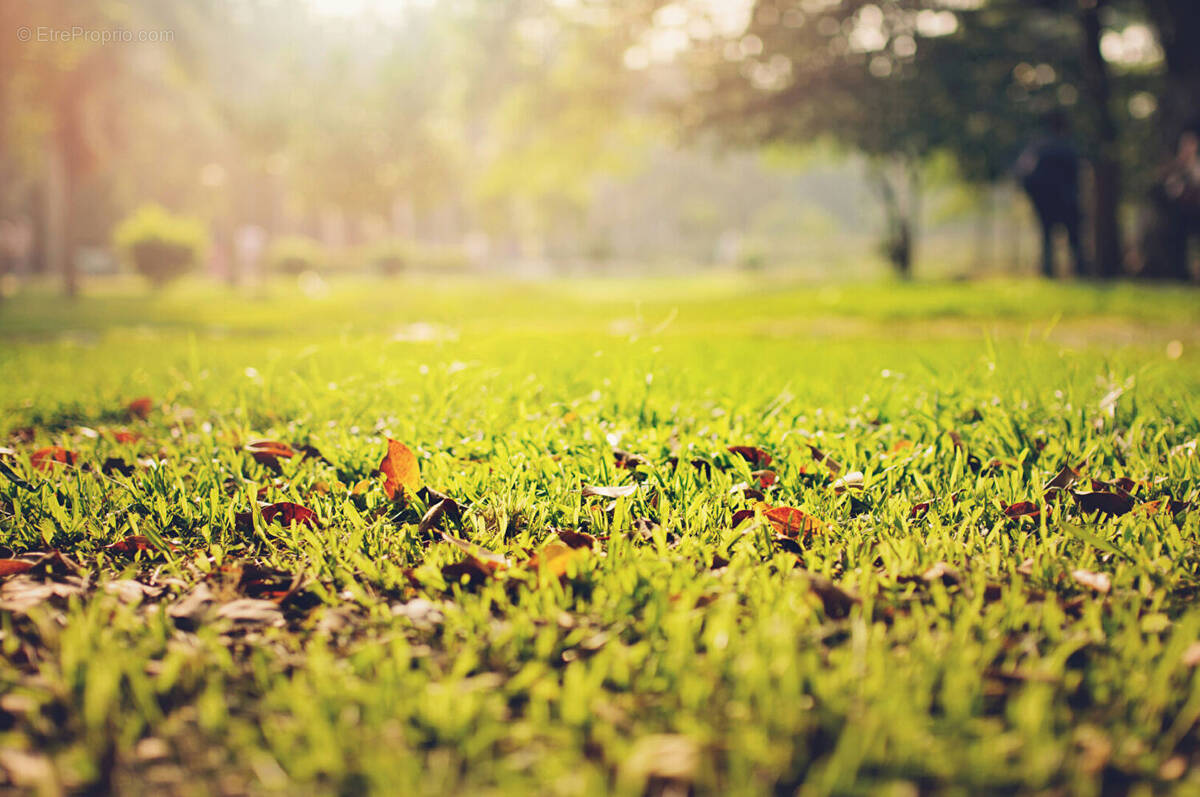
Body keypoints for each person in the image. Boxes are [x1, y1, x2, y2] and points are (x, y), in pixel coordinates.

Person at [1016, 111, 1084, 277]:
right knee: (1073, 239)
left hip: (1045, 202)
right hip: (1067, 200)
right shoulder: (1067, 147)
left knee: (1047, 238)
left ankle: (1049, 272)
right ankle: (1079, 272)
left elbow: (1023, 175)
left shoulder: (1038, 148)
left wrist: (1035, 198)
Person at [1152, 126, 1200, 280]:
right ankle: (1179, 273)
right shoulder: (1175, 168)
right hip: (1179, 218)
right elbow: (1169, 190)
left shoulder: (1196, 167)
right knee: (1173, 236)